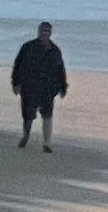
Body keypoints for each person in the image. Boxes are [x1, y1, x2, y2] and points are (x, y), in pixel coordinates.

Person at [12, 21, 68, 149]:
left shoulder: (55, 50)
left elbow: (61, 69)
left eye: (47, 31)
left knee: (47, 115)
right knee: (28, 116)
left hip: (47, 89)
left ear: (50, 33)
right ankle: (25, 136)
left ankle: (46, 143)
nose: (44, 33)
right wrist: (15, 83)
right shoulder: (28, 47)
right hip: (29, 87)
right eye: (43, 31)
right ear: (38, 31)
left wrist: (63, 87)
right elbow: (18, 66)